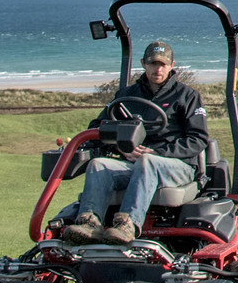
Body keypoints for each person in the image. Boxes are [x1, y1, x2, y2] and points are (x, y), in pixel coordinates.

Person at [63, 41, 210, 244]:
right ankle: (90, 222)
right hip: (135, 163)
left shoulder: (186, 96)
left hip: (177, 166)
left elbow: (198, 139)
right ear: (143, 64)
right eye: (152, 64)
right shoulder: (127, 95)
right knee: (99, 165)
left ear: (171, 65)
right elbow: (99, 126)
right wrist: (122, 148)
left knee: (147, 161)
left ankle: (127, 224)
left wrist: (155, 152)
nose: (157, 69)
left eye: (163, 64)